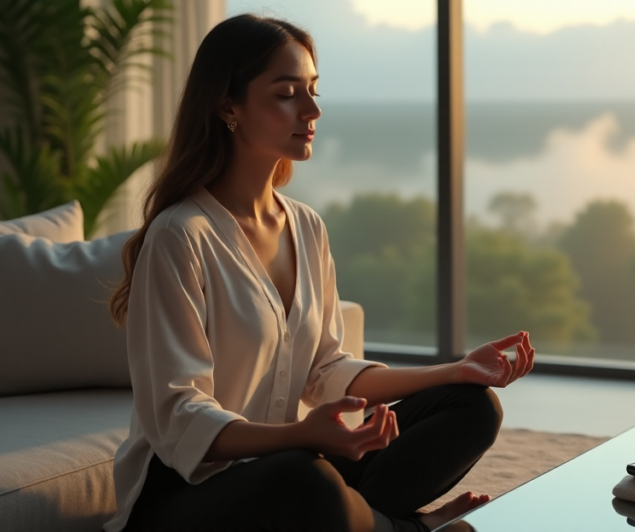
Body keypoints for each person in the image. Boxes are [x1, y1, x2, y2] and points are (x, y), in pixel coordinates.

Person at [102, 14, 535, 532]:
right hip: (186, 493)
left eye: (313, 90)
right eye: (286, 94)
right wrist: (302, 435)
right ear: (227, 107)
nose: (311, 110)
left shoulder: (305, 226)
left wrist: (455, 371)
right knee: (310, 479)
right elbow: (180, 417)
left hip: (287, 466)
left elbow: (327, 369)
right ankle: (408, 528)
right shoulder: (180, 235)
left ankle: (365, 520)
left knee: (472, 408)